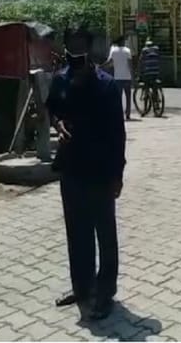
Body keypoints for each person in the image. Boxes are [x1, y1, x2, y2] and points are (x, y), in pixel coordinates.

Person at [46, 28, 126, 320]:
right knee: (76, 231)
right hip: (71, 169)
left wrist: (117, 174)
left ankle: (105, 292)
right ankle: (82, 287)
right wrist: (58, 125)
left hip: (101, 171)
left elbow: (118, 134)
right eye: (71, 45)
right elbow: (52, 110)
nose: (74, 52)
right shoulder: (60, 79)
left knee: (105, 233)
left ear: (90, 50)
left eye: (80, 46)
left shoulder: (107, 87)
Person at [103, 35, 133, 120]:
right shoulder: (127, 51)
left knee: (118, 97)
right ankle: (127, 114)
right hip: (127, 77)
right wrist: (133, 75)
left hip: (117, 77)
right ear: (122, 42)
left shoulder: (113, 51)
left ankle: (118, 113)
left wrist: (101, 66)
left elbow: (109, 62)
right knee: (128, 97)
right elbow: (130, 65)